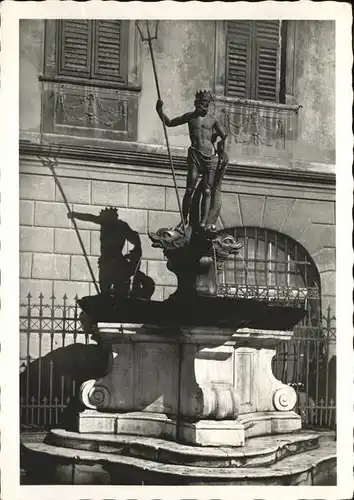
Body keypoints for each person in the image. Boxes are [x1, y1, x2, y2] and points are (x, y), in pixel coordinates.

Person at [156, 90, 227, 232]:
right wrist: (159, 110)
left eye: (207, 104)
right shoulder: (190, 117)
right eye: (202, 104)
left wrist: (221, 151)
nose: (204, 107)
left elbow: (224, 135)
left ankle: (203, 223)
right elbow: (169, 123)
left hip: (210, 158)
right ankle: (184, 220)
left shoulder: (213, 120)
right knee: (189, 189)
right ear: (196, 104)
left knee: (207, 191)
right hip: (195, 155)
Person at [68, 207, 142, 296]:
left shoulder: (110, 223)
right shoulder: (120, 225)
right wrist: (136, 249)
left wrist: (75, 214)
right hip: (114, 261)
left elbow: (90, 217)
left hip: (110, 262)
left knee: (109, 288)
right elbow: (135, 237)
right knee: (112, 288)